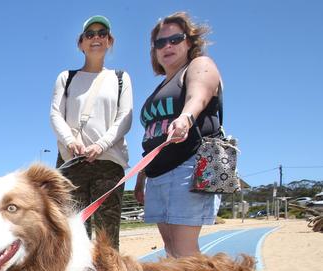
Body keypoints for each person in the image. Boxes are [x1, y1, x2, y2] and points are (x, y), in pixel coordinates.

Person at [134, 12, 223, 258]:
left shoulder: (198, 66)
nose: (167, 46)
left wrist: (185, 117)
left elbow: (199, 95)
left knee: (185, 252)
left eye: (175, 39)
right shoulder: (160, 87)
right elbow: (153, 136)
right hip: (157, 175)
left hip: (187, 166)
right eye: (160, 43)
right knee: (172, 250)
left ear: (189, 42)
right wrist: (142, 178)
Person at [50, 15, 133, 251]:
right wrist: (71, 141)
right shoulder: (66, 78)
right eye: (90, 34)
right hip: (71, 162)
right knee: (75, 236)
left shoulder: (120, 78)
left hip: (108, 163)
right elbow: (55, 114)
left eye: (102, 33)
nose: (96, 38)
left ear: (109, 41)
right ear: (81, 43)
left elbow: (124, 118)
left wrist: (101, 145)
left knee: (108, 239)